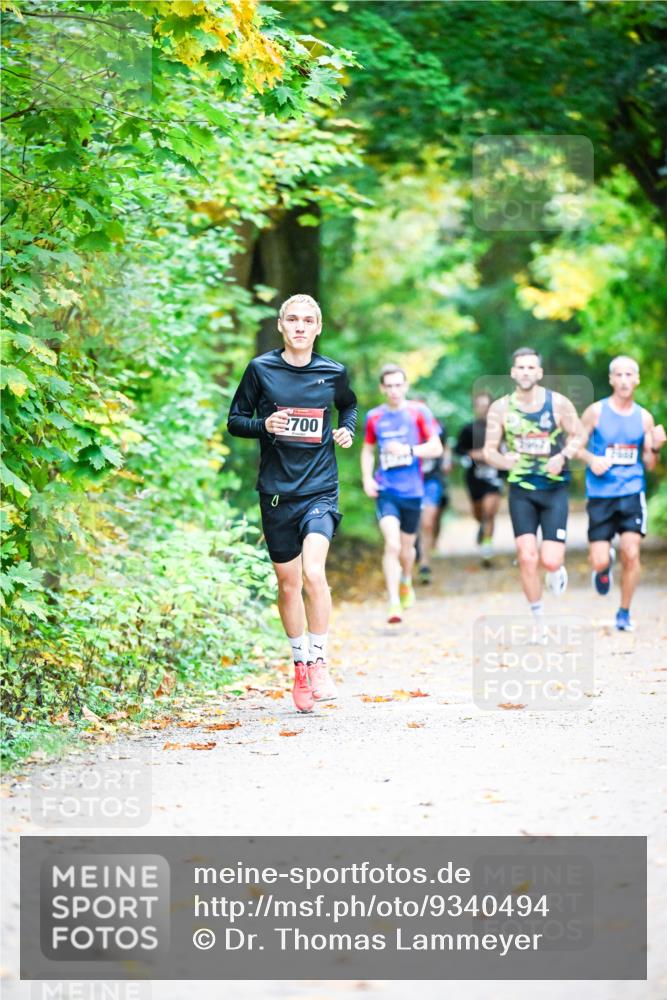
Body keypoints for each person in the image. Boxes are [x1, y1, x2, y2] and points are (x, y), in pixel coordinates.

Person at [227, 294, 357, 713]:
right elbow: (235, 421)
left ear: (318, 328)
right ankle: (299, 665)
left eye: (308, 321)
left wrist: (346, 430)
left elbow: (349, 406)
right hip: (277, 491)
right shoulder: (260, 369)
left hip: (320, 489)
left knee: (314, 573)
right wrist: (264, 425)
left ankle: (319, 661)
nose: (300, 327)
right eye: (293, 320)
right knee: (288, 583)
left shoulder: (333, 371)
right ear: (281, 325)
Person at [483, 347, 583, 640]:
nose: (526, 372)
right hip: (521, 490)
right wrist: (505, 461)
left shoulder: (557, 404)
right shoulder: (500, 408)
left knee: (549, 560)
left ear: (539, 373)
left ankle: (555, 570)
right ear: (513, 373)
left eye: (531, 368)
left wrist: (563, 456)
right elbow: (489, 451)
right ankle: (539, 623)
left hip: (554, 489)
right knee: (527, 557)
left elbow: (578, 436)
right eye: (521, 368)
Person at [579, 355, 665, 631]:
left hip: (631, 492)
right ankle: (604, 567)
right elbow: (575, 446)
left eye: (630, 375)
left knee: (632, 552)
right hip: (601, 494)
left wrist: (656, 447)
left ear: (637, 380)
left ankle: (624, 612)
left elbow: (650, 464)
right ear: (611, 380)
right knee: (599, 559)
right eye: (619, 375)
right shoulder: (596, 412)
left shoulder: (644, 418)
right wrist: (593, 460)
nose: (625, 380)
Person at [361, 364, 443, 623]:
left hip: (413, 491)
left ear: (406, 386)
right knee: (392, 544)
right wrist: (366, 479)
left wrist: (408, 451)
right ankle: (393, 601)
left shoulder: (418, 412)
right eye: (389, 386)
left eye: (399, 385)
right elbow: (367, 450)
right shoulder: (374, 417)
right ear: (382, 388)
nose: (394, 390)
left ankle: (407, 579)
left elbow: (436, 448)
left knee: (408, 550)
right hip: (386, 490)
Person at [454, 390, 504, 566]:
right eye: (480, 406)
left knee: (489, 510)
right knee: (479, 511)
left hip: (494, 477)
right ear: (475, 408)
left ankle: (487, 549)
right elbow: (458, 450)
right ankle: (481, 526)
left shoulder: (501, 429)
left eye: (487, 406)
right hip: (474, 478)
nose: (483, 409)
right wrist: (474, 454)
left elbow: (508, 449)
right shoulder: (468, 429)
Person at [416, 420, 451, 584]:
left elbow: (446, 446)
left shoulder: (436, 428)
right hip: (410, 481)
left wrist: (447, 460)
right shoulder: (404, 427)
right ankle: (415, 549)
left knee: (428, 522)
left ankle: (424, 564)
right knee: (412, 523)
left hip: (432, 481)